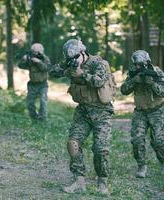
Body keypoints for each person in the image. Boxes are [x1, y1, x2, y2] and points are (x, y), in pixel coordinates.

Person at [50, 39, 116, 194]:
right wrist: (66, 68)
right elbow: (53, 72)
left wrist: (82, 74)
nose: (74, 61)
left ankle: (102, 182)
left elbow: (99, 81)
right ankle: (79, 181)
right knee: (73, 144)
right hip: (84, 111)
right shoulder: (70, 63)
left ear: (83, 53)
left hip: (102, 112)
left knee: (100, 149)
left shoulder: (99, 63)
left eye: (76, 57)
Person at [121, 50, 164, 178]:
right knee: (137, 139)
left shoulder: (157, 72)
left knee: (158, 140)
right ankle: (142, 166)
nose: (137, 66)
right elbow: (124, 90)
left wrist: (152, 83)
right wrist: (134, 80)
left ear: (146, 62)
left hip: (157, 111)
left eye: (140, 64)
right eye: (136, 64)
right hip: (140, 112)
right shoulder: (133, 74)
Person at [18, 43, 50, 121]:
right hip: (32, 85)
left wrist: (39, 62)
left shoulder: (45, 59)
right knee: (30, 103)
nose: (35, 53)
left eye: (37, 52)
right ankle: (34, 119)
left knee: (43, 102)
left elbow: (46, 68)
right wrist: (24, 60)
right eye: (34, 51)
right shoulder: (30, 59)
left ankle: (42, 119)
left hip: (43, 84)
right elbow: (21, 66)